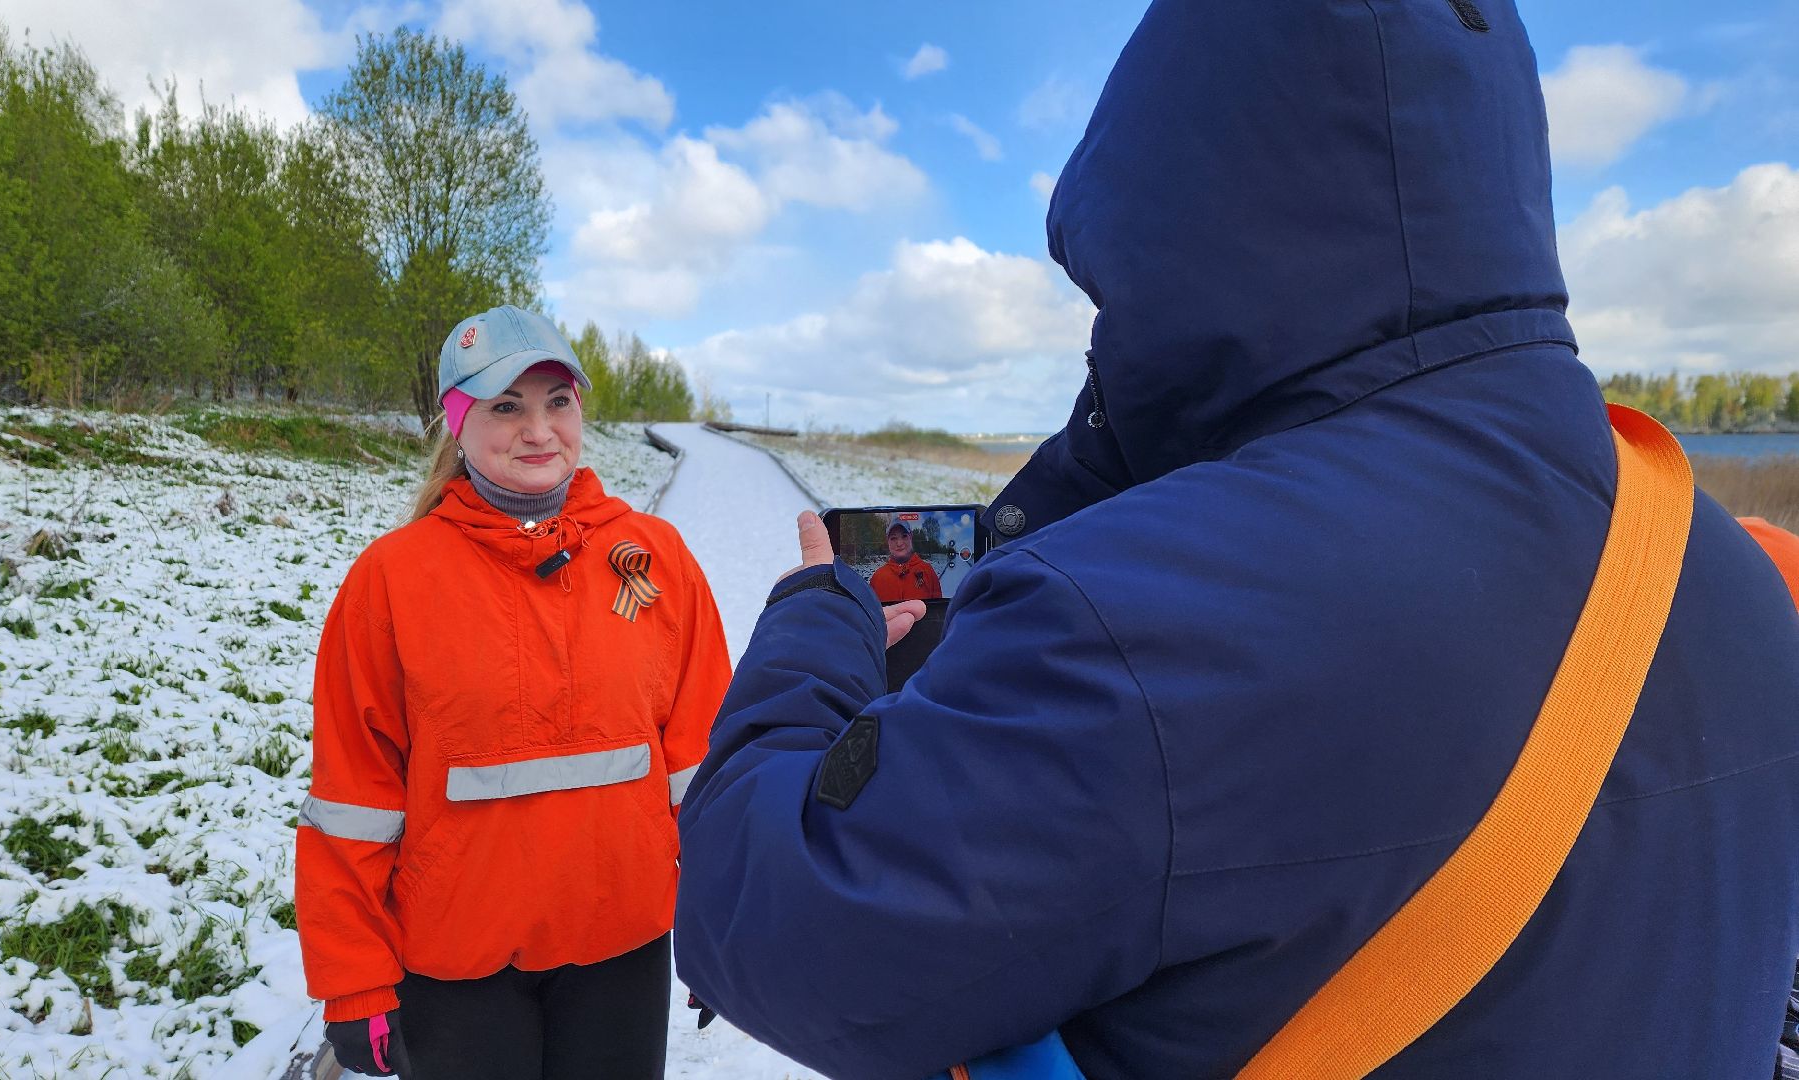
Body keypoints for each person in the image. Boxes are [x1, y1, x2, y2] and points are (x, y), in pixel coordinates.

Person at [672, 3, 1799, 1078]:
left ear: (1172, 214)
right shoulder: (1730, 573)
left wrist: (819, 616)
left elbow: (766, 923)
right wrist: (1146, 428)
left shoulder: (1130, 630)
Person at [296, 304, 731, 1079]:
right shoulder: (392, 580)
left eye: (557, 402)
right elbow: (354, 793)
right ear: (456, 423)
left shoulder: (654, 558)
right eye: (506, 407)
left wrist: (719, 923)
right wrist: (354, 978)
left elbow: (704, 769)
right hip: (458, 967)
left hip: (622, 950)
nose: (539, 431)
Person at [868, 518, 943, 603]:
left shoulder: (928, 571)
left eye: (904, 536)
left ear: (910, 537)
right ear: (887, 541)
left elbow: (938, 611)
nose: (899, 543)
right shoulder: (877, 577)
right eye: (893, 538)